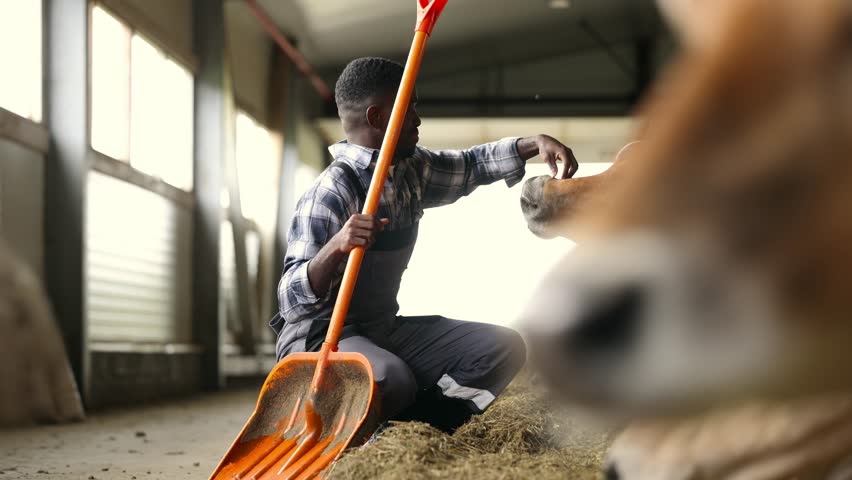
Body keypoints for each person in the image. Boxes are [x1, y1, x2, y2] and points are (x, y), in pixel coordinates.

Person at [271, 57, 579, 432]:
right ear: (376, 117)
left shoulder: (411, 171)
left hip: (380, 329)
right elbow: (290, 300)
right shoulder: (332, 191)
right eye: (410, 108)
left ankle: (419, 431)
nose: (418, 119)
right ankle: (360, 430)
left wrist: (533, 144)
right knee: (393, 378)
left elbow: (471, 164)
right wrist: (335, 246)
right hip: (322, 338)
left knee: (502, 347)